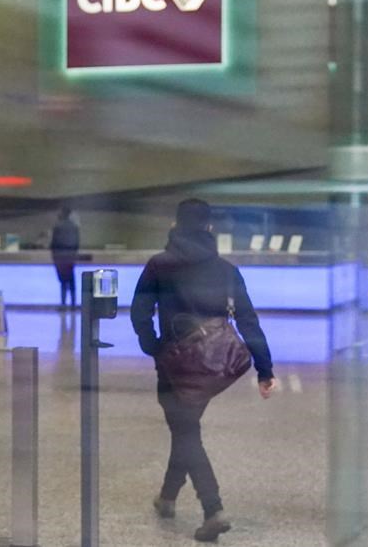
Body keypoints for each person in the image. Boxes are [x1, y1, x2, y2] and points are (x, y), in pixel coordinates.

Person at [130, 199, 277, 542]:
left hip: (173, 364)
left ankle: (213, 509)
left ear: (175, 226)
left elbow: (140, 311)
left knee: (185, 432)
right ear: (209, 228)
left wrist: (153, 346)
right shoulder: (226, 270)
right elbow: (248, 320)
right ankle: (167, 497)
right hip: (212, 365)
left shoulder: (159, 265)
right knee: (185, 428)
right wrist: (264, 368)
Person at [49, 206, 80, 307]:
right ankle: (73, 303)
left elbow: (54, 243)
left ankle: (63, 303)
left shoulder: (57, 227)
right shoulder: (75, 227)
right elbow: (77, 243)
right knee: (71, 279)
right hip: (71, 256)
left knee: (63, 280)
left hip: (60, 256)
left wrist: (53, 255)